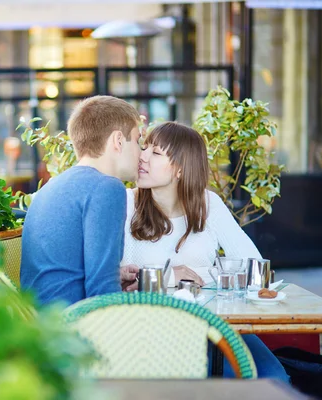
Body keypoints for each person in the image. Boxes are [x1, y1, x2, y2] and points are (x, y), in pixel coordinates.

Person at [120, 121, 289, 382]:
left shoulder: (208, 204)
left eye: (155, 153)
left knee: (273, 379)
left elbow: (255, 266)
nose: (142, 156)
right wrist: (170, 276)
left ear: (180, 169)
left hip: (214, 324)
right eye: (144, 148)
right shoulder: (125, 203)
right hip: (150, 331)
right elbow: (119, 280)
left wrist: (201, 273)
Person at [20, 95, 142, 306]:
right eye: (138, 140)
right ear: (118, 140)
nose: (141, 152)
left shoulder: (52, 187)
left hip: (39, 327)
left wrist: (115, 275)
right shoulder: (107, 187)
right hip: (73, 329)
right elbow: (102, 294)